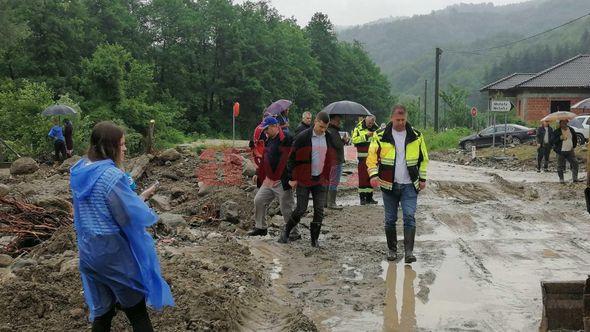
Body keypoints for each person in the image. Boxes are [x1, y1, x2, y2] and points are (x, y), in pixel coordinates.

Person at [70, 121, 174, 331]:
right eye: (122, 144)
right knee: (137, 311)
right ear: (111, 146)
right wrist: (142, 202)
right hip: (112, 254)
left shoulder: (79, 170)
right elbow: (126, 217)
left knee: (103, 313)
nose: (125, 149)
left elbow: (99, 208)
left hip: (88, 252)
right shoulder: (111, 176)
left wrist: (139, 197)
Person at [367, 105, 428, 263]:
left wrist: (422, 179)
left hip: (409, 184)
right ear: (391, 119)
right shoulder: (380, 135)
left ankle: (409, 252)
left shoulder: (416, 136)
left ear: (406, 119)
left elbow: (424, 159)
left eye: (403, 120)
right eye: (397, 120)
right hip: (389, 184)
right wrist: (373, 175)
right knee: (390, 219)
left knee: (409, 216)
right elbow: (371, 157)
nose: (400, 123)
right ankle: (392, 250)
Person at [278, 111, 336, 247]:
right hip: (304, 178)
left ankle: (314, 240)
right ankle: (286, 231)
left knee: (319, 211)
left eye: (325, 128)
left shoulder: (328, 137)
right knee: (301, 209)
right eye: (321, 127)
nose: (322, 130)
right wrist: (292, 178)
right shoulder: (303, 137)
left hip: (320, 180)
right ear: (316, 122)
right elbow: (291, 158)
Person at [248, 116, 298, 238]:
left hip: (283, 180)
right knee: (259, 200)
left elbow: (295, 159)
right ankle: (261, 228)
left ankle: (294, 232)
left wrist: (294, 178)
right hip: (269, 179)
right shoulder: (269, 140)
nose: (265, 132)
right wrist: (257, 172)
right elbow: (265, 158)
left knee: (286, 208)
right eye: (264, 129)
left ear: (275, 126)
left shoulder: (287, 138)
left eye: (267, 129)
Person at [351, 115, 380, 205]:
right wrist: (366, 136)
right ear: (365, 121)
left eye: (371, 123)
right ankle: (362, 198)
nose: (370, 125)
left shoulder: (376, 128)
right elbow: (354, 140)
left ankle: (369, 198)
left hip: (372, 160)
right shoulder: (358, 128)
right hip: (362, 159)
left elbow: (379, 141)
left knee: (371, 178)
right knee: (363, 178)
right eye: (368, 123)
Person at [325, 114, 347, 210]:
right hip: (336, 160)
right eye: (338, 121)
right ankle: (331, 202)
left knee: (329, 180)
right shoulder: (333, 131)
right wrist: (344, 140)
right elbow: (337, 145)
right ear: (332, 121)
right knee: (334, 181)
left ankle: (326, 202)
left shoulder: (328, 130)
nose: (339, 122)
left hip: (330, 159)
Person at [551, 119, 580, 183]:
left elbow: (575, 138)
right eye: (562, 122)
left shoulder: (571, 129)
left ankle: (575, 179)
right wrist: (560, 138)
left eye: (565, 122)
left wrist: (573, 146)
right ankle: (561, 179)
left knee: (575, 163)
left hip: (570, 151)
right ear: (560, 124)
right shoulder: (556, 131)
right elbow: (552, 141)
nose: (564, 124)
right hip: (561, 151)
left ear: (567, 122)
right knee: (560, 166)